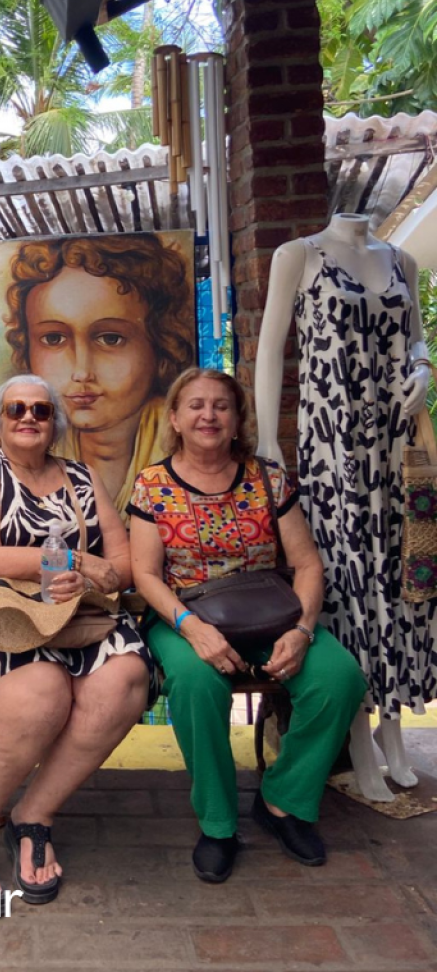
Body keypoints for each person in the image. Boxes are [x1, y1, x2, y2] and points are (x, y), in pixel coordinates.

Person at [129, 368, 366, 884]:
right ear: (175, 418)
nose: (208, 415)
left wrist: (302, 631)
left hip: (269, 614)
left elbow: (307, 563)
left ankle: (284, 801)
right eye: (195, 405)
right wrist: (193, 628)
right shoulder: (152, 485)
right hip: (183, 615)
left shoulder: (267, 479)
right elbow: (144, 575)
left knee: (338, 678)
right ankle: (217, 823)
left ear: (237, 419)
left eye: (221, 406)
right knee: (196, 683)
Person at [0, 374, 153, 911]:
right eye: (16, 409)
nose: (29, 417)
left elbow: (122, 563)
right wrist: (72, 560)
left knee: (126, 678)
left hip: (74, 619)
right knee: (42, 688)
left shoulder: (81, 476)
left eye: (41, 409)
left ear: (55, 422)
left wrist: (91, 579)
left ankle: (34, 813)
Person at [255, 212, 437, 802]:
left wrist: (422, 369)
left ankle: (393, 728)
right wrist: (268, 441)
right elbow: (270, 350)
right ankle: (358, 736)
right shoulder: (299, 255)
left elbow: (415, 338)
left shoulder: (401, 261)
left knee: (405, 578)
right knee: (348, 580)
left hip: (397, 444)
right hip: (334, 446)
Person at [4, 235, 194, 512]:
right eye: (54, 339)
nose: (82, 372)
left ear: (160, 343)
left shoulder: (190, 449)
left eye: (110, 339)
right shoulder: (23, 455)